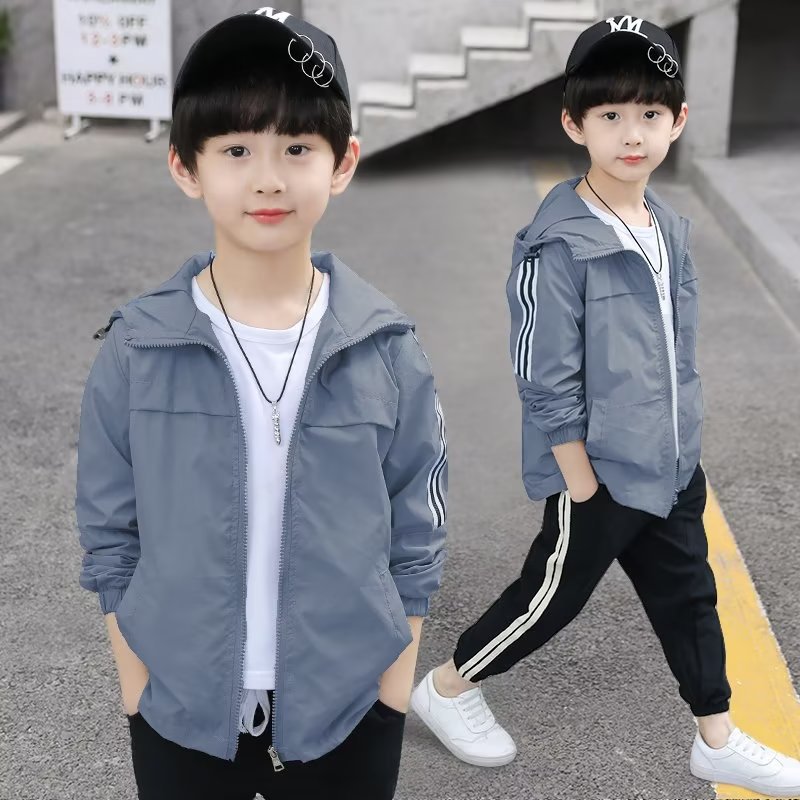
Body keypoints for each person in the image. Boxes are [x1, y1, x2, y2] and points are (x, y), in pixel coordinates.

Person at [410, 15, 800, 797]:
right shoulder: (557, 242)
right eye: (611, 114)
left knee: (691, 596)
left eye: (650, 113)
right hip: (599, 471)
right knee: (550, 599)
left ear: (677, 121)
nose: (632, 133)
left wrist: (685, 440)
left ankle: (717, 738)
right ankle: (447, 688)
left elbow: (676, 349)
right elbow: (542, 373)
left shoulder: (669, 228)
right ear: (574, 123)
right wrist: (580, 482)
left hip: (670, 460)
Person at [75, 8, 447, 799]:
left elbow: (416, 530)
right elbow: (111, 532)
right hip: (179, 713)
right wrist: (137, 687)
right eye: (237, 149)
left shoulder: (386, 348)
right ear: (186, 166)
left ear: (343, 162)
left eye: (297, 147)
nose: (269, 178)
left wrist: (391, 693)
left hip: (350, 710)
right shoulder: (138, 348)